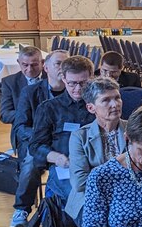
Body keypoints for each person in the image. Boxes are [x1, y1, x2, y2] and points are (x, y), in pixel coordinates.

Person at [10, 49, 68, 227]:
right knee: (30, 163)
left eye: (66, 65)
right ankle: (22, 209)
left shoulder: (76, 91)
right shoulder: (31, 92)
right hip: (38, 143)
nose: (62, 68)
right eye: (58, 64)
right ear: (46, 67)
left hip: (67, 144)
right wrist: (41, 137)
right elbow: (20, 127)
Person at [29, 54, 95, 202]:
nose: (78, 89)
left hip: (96, 167)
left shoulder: (100, 105)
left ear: (91, 77)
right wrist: (58, 158)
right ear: (63, 78)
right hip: (64, 167)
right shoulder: (49, 108)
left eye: (83, 83)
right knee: (79, 196)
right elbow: (35, 146)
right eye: (72, 83)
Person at [66, 77, 125, 222]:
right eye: (106, 100)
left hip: (129, 196)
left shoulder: (135, 130)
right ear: (91, 108)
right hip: (90, 198)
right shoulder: (80, 137)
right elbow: (80, 183)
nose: (114, 104)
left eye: (117, 98)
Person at [1, 47, 43, 227]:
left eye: (34, 65)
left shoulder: (55, 80)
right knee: (30, 163)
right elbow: (4, 114)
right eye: (25, 65)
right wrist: (25, 115)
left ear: (42, 63)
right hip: (26, 133)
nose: (30, 69)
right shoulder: (10, 82)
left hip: (51, 132)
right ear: (18, 64)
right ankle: (22, 209)